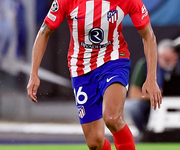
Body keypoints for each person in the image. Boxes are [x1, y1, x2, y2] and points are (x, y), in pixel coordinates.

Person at [27, 0, 162, 149]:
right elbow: (44, 32)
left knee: (112, 118)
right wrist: (34, 74)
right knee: (95, 143)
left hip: (114, 60)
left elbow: (148, 35)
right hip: (81, 67)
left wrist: (151, 78)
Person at [125, 39, 180, 134]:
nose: (172, 63)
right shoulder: (145, 65)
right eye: (168, 59)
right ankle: (145, 133)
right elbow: (133, 94)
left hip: (175, 105)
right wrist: (156, 95)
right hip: (150, 105)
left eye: (175, 60)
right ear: (158, 56)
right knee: (134, 106)